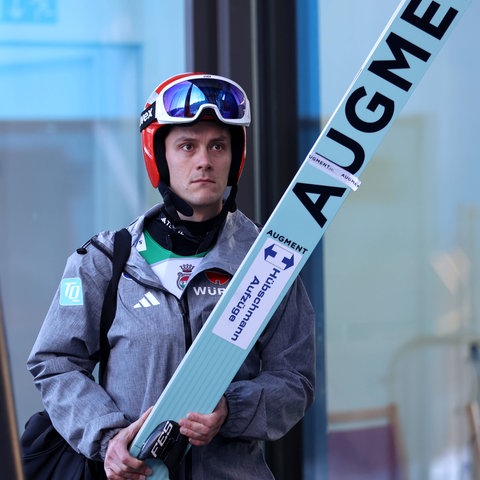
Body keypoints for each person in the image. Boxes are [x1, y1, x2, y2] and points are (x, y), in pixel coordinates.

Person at [27, 73, 316, 480]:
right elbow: (55, 361)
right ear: (158, 156)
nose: (205, 160)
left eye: (218, 145)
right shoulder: (106, 262)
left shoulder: (266, 263)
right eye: (187, 146)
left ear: (235, 157)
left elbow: (295, 380)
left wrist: (232, 408)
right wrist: (108, 436)